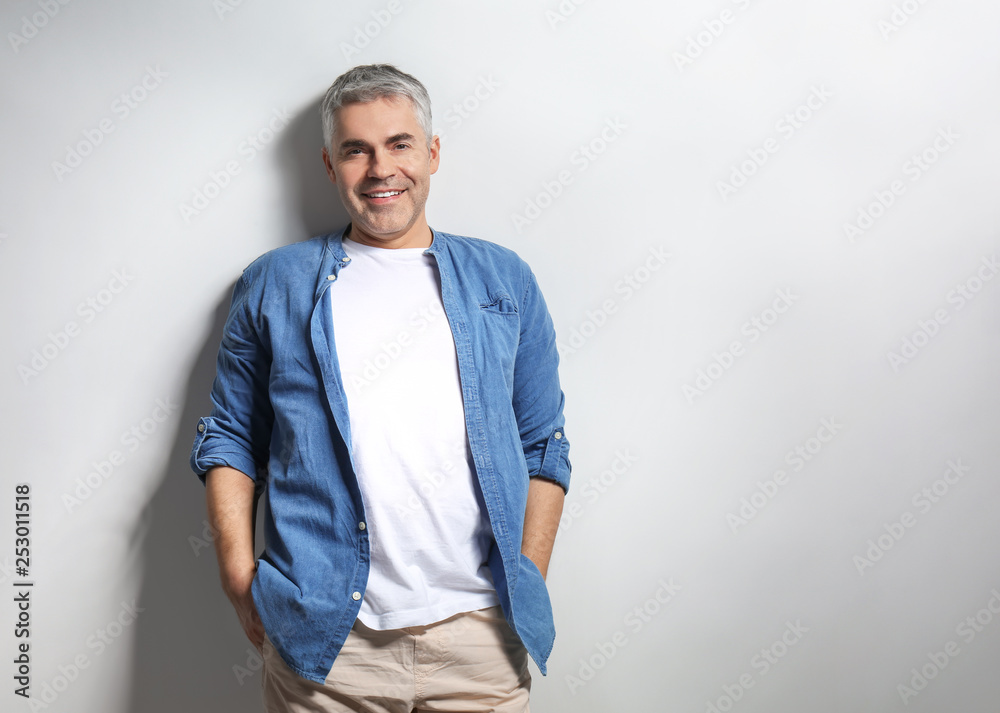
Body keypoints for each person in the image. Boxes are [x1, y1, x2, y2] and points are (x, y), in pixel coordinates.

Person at [190, 63, 571, 712]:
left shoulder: (503, 280)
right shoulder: (275, 282)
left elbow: (543, 446)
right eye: (356, 150)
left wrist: (527, 572)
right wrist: (236, 571)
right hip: (329, 644)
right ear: (330, 164)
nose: (380, 168)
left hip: (481, 639)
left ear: (432, 152)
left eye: (398, 144)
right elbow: (229, 437)